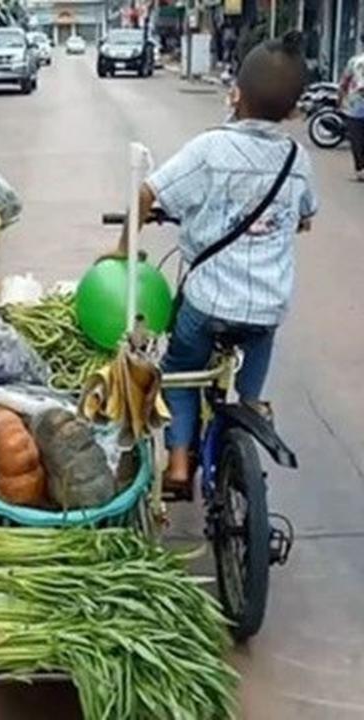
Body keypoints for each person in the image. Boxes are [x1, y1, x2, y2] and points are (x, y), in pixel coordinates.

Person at [131, 33, 317, 495]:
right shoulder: (298, 159)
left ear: (235, 93)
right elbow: (306, 215)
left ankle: (177, 464)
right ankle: (250, 405)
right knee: (260, 342)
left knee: (178, 367)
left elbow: (147, 194)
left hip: (208, 301)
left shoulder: (210, 148)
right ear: (294, 111)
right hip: (266, 305)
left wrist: (122, 246)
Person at [338, 34, 364, 180]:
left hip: (355, 106)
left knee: (357, 139)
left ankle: (360, 170)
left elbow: (344, 82)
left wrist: (339, 99)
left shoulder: (354, 61)